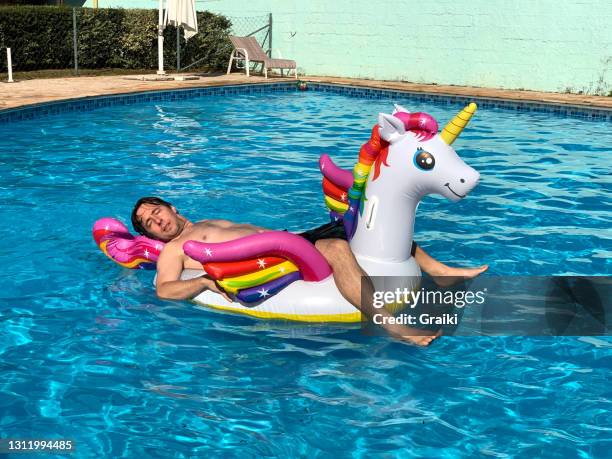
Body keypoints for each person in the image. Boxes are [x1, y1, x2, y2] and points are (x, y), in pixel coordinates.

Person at [131, 197, 488, 346]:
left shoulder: (208, 220)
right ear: (150, 235)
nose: (156, 221)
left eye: (156, 211)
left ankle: (439, 271)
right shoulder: (175, 250)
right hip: (277, 261)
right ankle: (390, 324)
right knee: (335, 247)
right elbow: (164, 289)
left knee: (373, 231)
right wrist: (207, 282)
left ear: (171, 207)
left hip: (291, 241)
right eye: (149, 223)